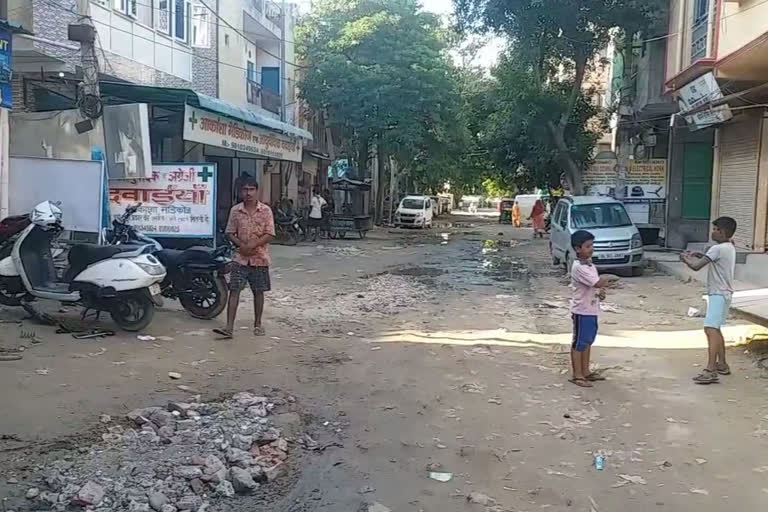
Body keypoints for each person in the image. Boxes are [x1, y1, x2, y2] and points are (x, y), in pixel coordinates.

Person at [214, 177, 275, 339]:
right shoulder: (235, 211)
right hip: (240, 258)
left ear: (257, 191)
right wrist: (241, 245)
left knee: (259, 291)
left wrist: (253, 245)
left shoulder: (266, 211)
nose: (248, 193)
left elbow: (270, 234)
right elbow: (229, 232)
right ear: (240, 192)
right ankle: (228, 328)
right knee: (234, 290)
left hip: (259, 257)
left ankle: (258, 324)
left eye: (251, 189)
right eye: (245, 189)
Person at [680, 217, 737, 384]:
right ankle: (722, 364)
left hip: (718, 294)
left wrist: (685, 258)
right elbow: (709, 259)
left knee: (710, 329)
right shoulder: (729, 246)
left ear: (722, 232)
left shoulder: (717, 248)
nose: (712, 232)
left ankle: (710, 369)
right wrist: (700, 255)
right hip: (725, 293)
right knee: (716, 329)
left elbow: (696, 266)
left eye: (715, 229)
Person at [569, 230, 619, 388]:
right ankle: (578, 374)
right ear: (578, 249)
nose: (591, 248)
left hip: (591, 308)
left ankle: (586, 371)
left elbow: (595, 286)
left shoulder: (589, 265)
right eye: (587, 246)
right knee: (579, 343)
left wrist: (600, 292)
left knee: (588, 341)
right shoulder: (579, 267)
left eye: (592, 245)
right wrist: (608, 279)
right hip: (581, 310)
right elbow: (597, 282)